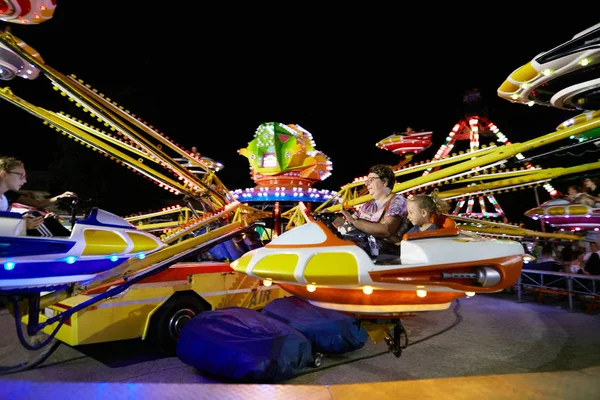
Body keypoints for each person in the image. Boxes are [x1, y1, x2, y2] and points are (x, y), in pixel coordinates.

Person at [0, 156, 76, 234]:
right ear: (4, 174)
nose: (25, 181)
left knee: (36, 217)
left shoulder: (7, 195)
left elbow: (38, 204)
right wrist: (21, 225)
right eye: (21, 176)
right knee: (35, 217)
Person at [335, 164, 408, 245]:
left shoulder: (398, 201)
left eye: (371, 180)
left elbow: (387, 230)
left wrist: (356, 222)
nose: (366, 184)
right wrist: (332, 218)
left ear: (384, 182)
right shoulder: (367, 205)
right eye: (367, 181)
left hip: (389, 253)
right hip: (366, 248)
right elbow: (349, 225)